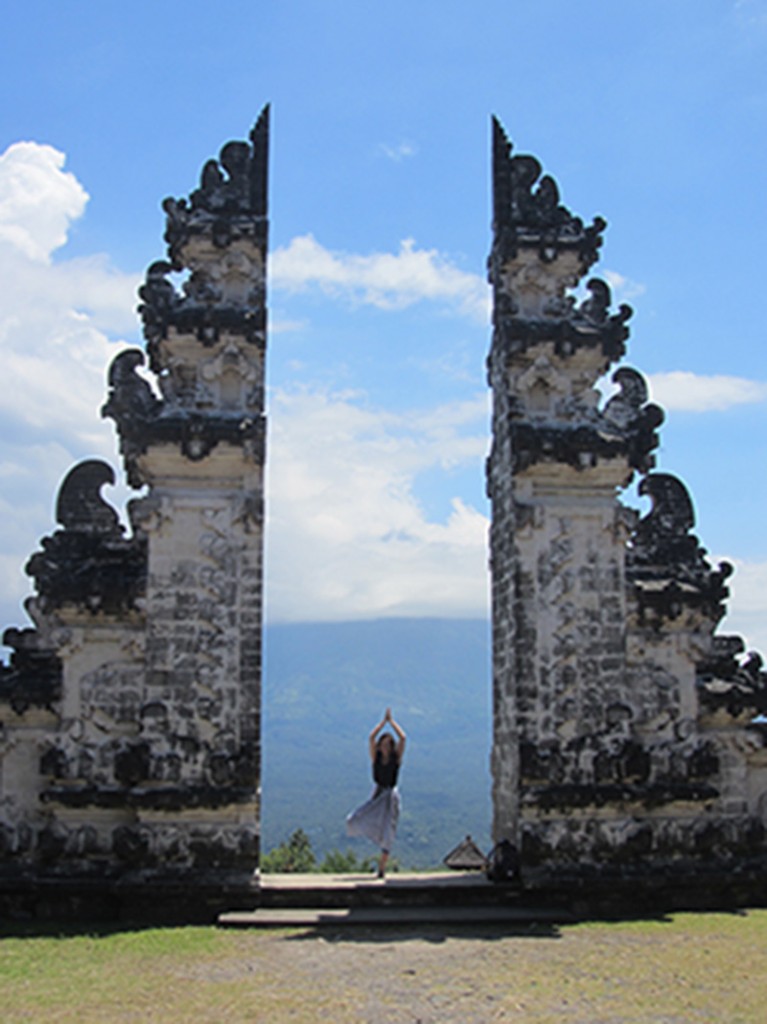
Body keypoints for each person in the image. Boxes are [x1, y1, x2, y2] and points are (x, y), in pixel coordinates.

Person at [346, 707, 406, 878]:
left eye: (388, 744)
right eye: (383, 744)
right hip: (378, 793)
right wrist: (382, 723)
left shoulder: (396, 760)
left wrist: (392, 722)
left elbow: (403, 738)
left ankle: (381, 868)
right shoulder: (376, 759)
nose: (385, 747)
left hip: (390, 796)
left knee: (389, 831)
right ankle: (370, 838)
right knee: (356, 818)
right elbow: (371, 738)